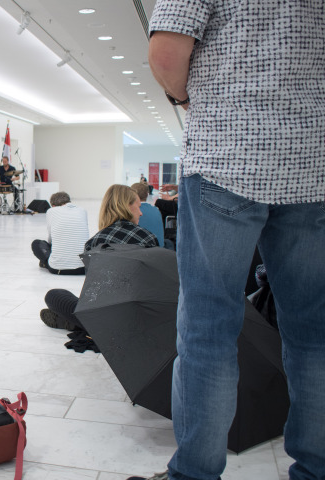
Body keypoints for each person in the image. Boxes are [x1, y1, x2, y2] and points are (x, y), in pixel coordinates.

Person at [129, 2, 325, 480]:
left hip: (228, 157)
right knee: (313, 333)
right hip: (314, 166)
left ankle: (195, 472)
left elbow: (167, 52)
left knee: (208, 331)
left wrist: (186, 99)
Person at [40, 185, 158, 330]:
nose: (141, 213)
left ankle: (79, 324)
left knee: (54, 295)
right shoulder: (148, 238)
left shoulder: (94, 242)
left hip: (105, 315)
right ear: (126, 206)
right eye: (138, 207)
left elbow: (93, 291)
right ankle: (84, 325)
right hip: (139, 315)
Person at [31, 191, 89, 275]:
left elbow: (51, 239)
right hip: (83, 268)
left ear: (53, 205)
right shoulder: (82, 211)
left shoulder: (51, 211)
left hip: (57, 269)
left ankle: (46, 262)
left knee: (36, 243)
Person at [131, 183, 164, 248]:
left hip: (142, 250)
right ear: (147, 194)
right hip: (160, 249)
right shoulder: (156, 210)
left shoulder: (133, 211)